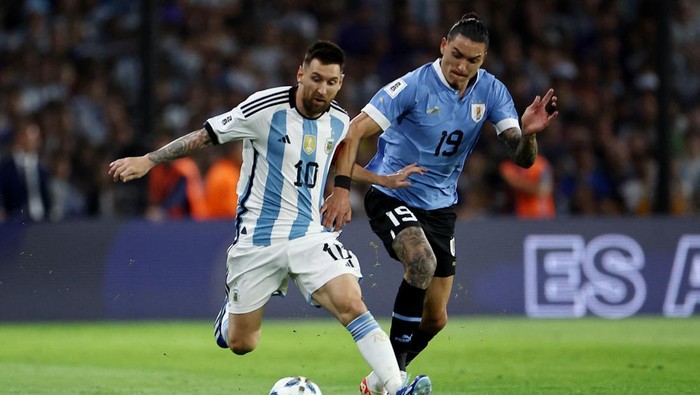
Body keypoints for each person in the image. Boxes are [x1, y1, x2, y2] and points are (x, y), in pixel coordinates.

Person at [108, 40, 432, 395]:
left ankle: (394, 385)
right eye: (316, 78)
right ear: (300, 74)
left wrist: (379, 179)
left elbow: (335, 161)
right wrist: (150, 160)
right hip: (257, 240)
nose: (322, 89)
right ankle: (230, 317)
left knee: (350, 302)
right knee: (242, 343)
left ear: (341, 83)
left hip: (311, 234)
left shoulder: (340, 120)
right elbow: (205, 136)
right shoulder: (264, 108)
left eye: (331, 82)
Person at [320, 13, 559, 395]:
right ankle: (397, 381)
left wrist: (528, 135)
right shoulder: (413, 86)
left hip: (440, 208)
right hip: (392, 193)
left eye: (473, 60)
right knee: (421, 260)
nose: (462, 67)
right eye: (457, 56)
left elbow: (522, 156)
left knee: (436, 319)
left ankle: (380, 380)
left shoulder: (492, 92)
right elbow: (355, 130)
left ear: (484, 60)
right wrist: (342, 188)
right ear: (443, 46)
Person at [499, 154, 556, 219]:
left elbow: (544, 191)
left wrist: (516, 181)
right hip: (522, 215)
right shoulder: (509, 165)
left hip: (543, 214)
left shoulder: (541, 164)